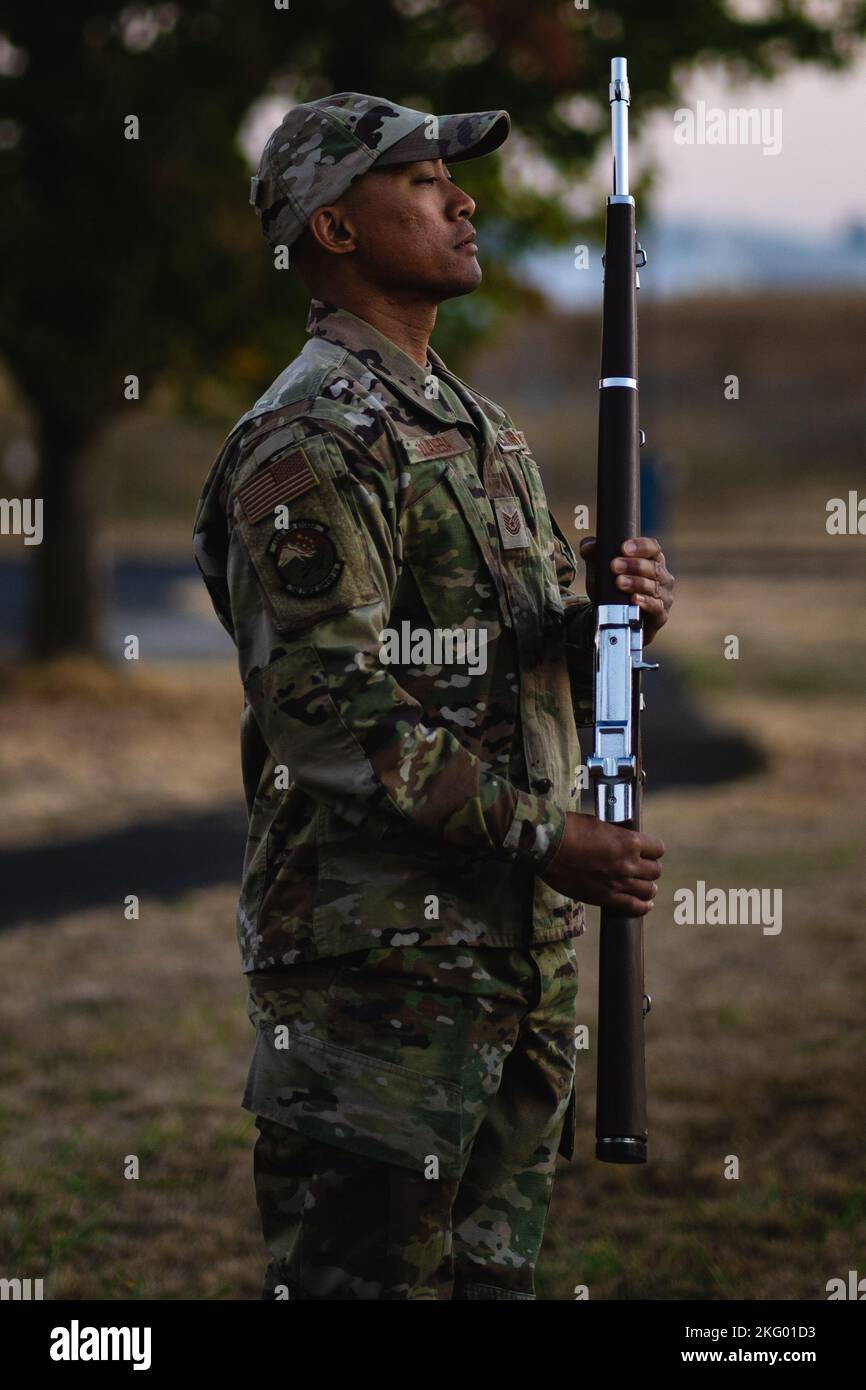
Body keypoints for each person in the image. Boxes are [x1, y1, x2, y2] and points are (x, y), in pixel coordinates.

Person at [192, 92, 674, 1301]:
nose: (461, 200)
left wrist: (599, 622)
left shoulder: (478, 428)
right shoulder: (307, 435)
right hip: (379, 982)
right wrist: (543, 833)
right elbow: (326, 711)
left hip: (507, 962)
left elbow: (479, 655)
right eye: (420, 180)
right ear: (336, 227)